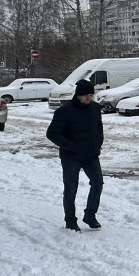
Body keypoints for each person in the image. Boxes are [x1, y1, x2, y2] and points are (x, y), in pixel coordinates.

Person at [45, 79, 104, 231]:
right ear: (78, 94)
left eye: (91, 95)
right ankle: (70, 220)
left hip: (91, 155)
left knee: (98, 183)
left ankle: (90, 215)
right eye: (86, 96)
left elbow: (98, 127)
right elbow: (52, 133)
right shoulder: (64, 111)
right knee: (71, 188)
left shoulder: (95, 108)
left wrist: (98, 143)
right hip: (71, 156)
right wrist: (71, 146)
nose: (89, 98)